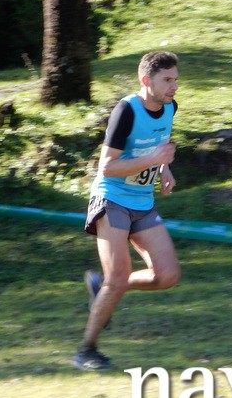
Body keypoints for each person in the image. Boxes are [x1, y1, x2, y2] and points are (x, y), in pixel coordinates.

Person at [72, 51, 182, 371]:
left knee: (167, 276)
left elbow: (158, 144)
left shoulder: (170, 107)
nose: (174, 86)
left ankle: (103, 286)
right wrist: (154, 160)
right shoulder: (127, 111)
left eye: (176, 79)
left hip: (143, 203)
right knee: (117, 278)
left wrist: (163, 169)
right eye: (167, 80)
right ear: (146, 80)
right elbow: (107, 167)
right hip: (112, 200)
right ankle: (86, 350)